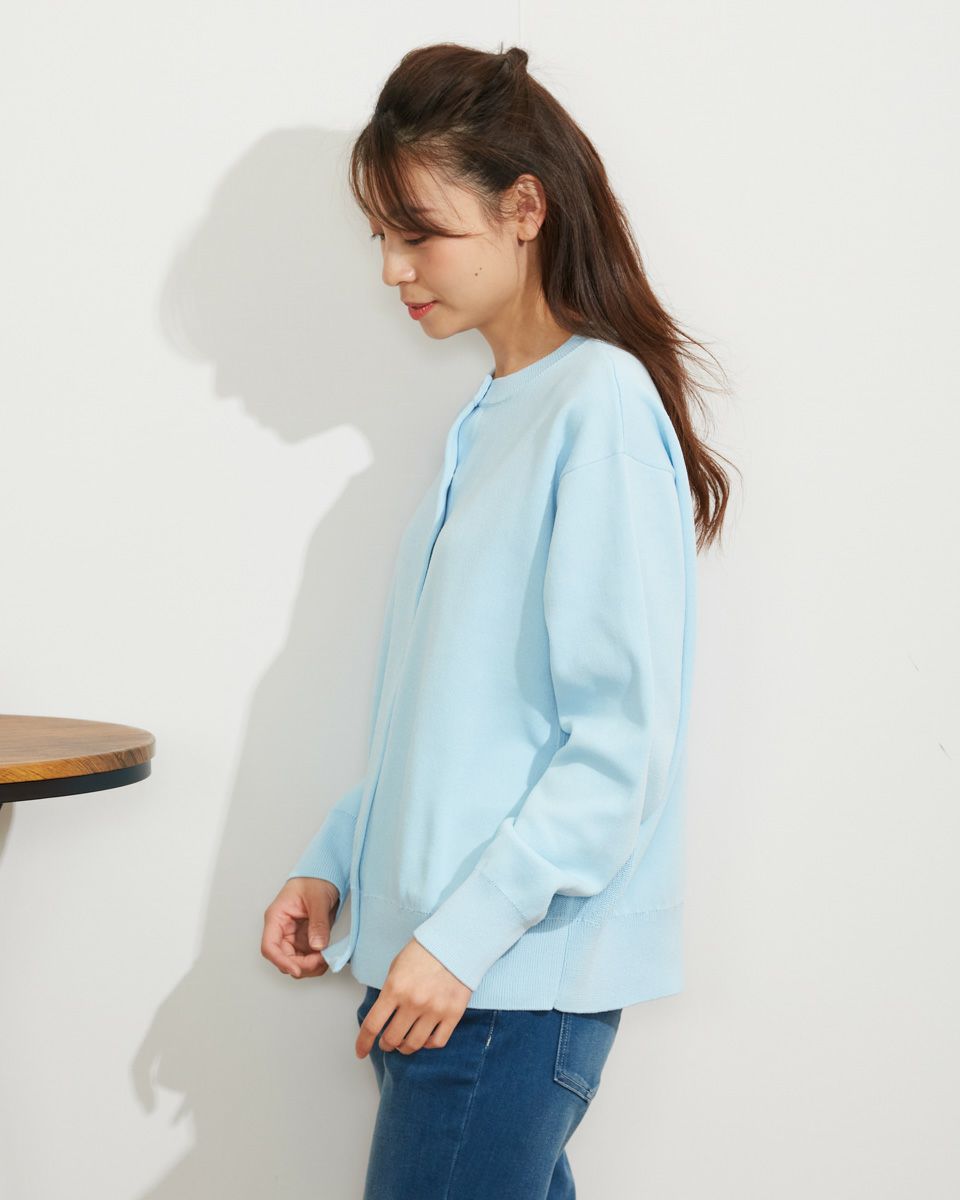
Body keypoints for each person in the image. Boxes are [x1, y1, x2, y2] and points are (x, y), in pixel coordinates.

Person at [262, 41, 735, 1200]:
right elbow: (448, 724)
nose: (392, 268)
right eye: (381, 236)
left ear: (524, 209)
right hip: (447, 978)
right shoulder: (493, 415)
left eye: (417, 232)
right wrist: (338, 862)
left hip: (496, 990)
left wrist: (458, 939)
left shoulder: (597, 407)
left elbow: (617, 748)